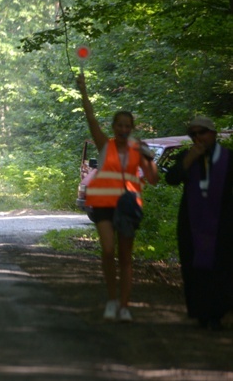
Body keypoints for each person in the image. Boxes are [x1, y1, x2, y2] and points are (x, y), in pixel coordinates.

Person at [77, 73, 158, 322]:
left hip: (127, 207)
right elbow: (91, 118)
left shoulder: (137, 150)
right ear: (114, 128)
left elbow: (153, 179)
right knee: (108, 250)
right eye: (119, 125)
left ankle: (124, 305)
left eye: (127, 126)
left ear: (131, 129)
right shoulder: (105, 145)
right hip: (103, 206)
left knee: (125, 257)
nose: (123, 129)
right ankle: (112, 301)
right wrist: (83, 91)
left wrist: (148, 157)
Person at [166, 116, 233, 330]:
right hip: (192, 221)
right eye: (193, 134)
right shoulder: (187, 156)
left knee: (220, 266)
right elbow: (172, 179)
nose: (198, 137)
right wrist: (189, 159)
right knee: (194, 266)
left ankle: (218, 313)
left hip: (222, 222)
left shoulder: (227, 158)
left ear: (212, 133)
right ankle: (200, 312)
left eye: (201, 132)